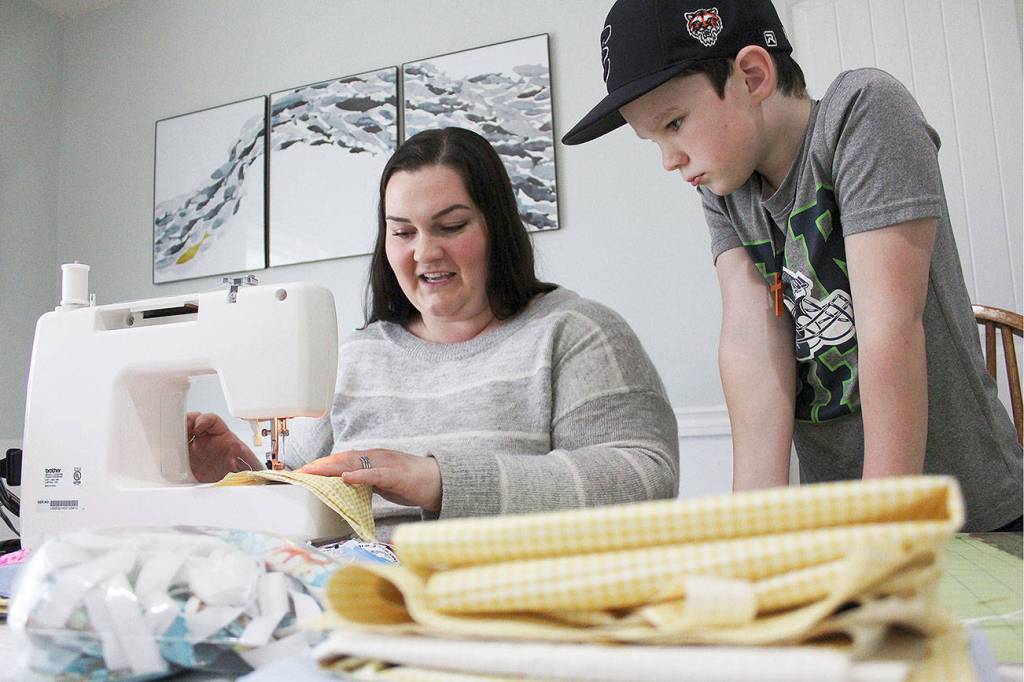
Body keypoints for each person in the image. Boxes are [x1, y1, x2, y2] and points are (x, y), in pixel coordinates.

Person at [561, 0, 1022, 531]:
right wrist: (751, 532)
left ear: (753, 76)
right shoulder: (727, 189)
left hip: (966, 514)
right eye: (654, 140)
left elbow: (890, 330)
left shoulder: (863, 111)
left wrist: (881, 530)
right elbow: (751, 350)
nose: (669, 159)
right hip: (835, 520)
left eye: (675, 123)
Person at [189, 127, 679, 538]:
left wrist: (439, 480)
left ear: (497, 228)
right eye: (403, 232)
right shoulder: (353, 359)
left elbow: (644, 478)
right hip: (350, 597)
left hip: (504, 604)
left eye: (451, 226)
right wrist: (234, 470)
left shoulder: (577, 334)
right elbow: (295, 490)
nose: (425, 252)